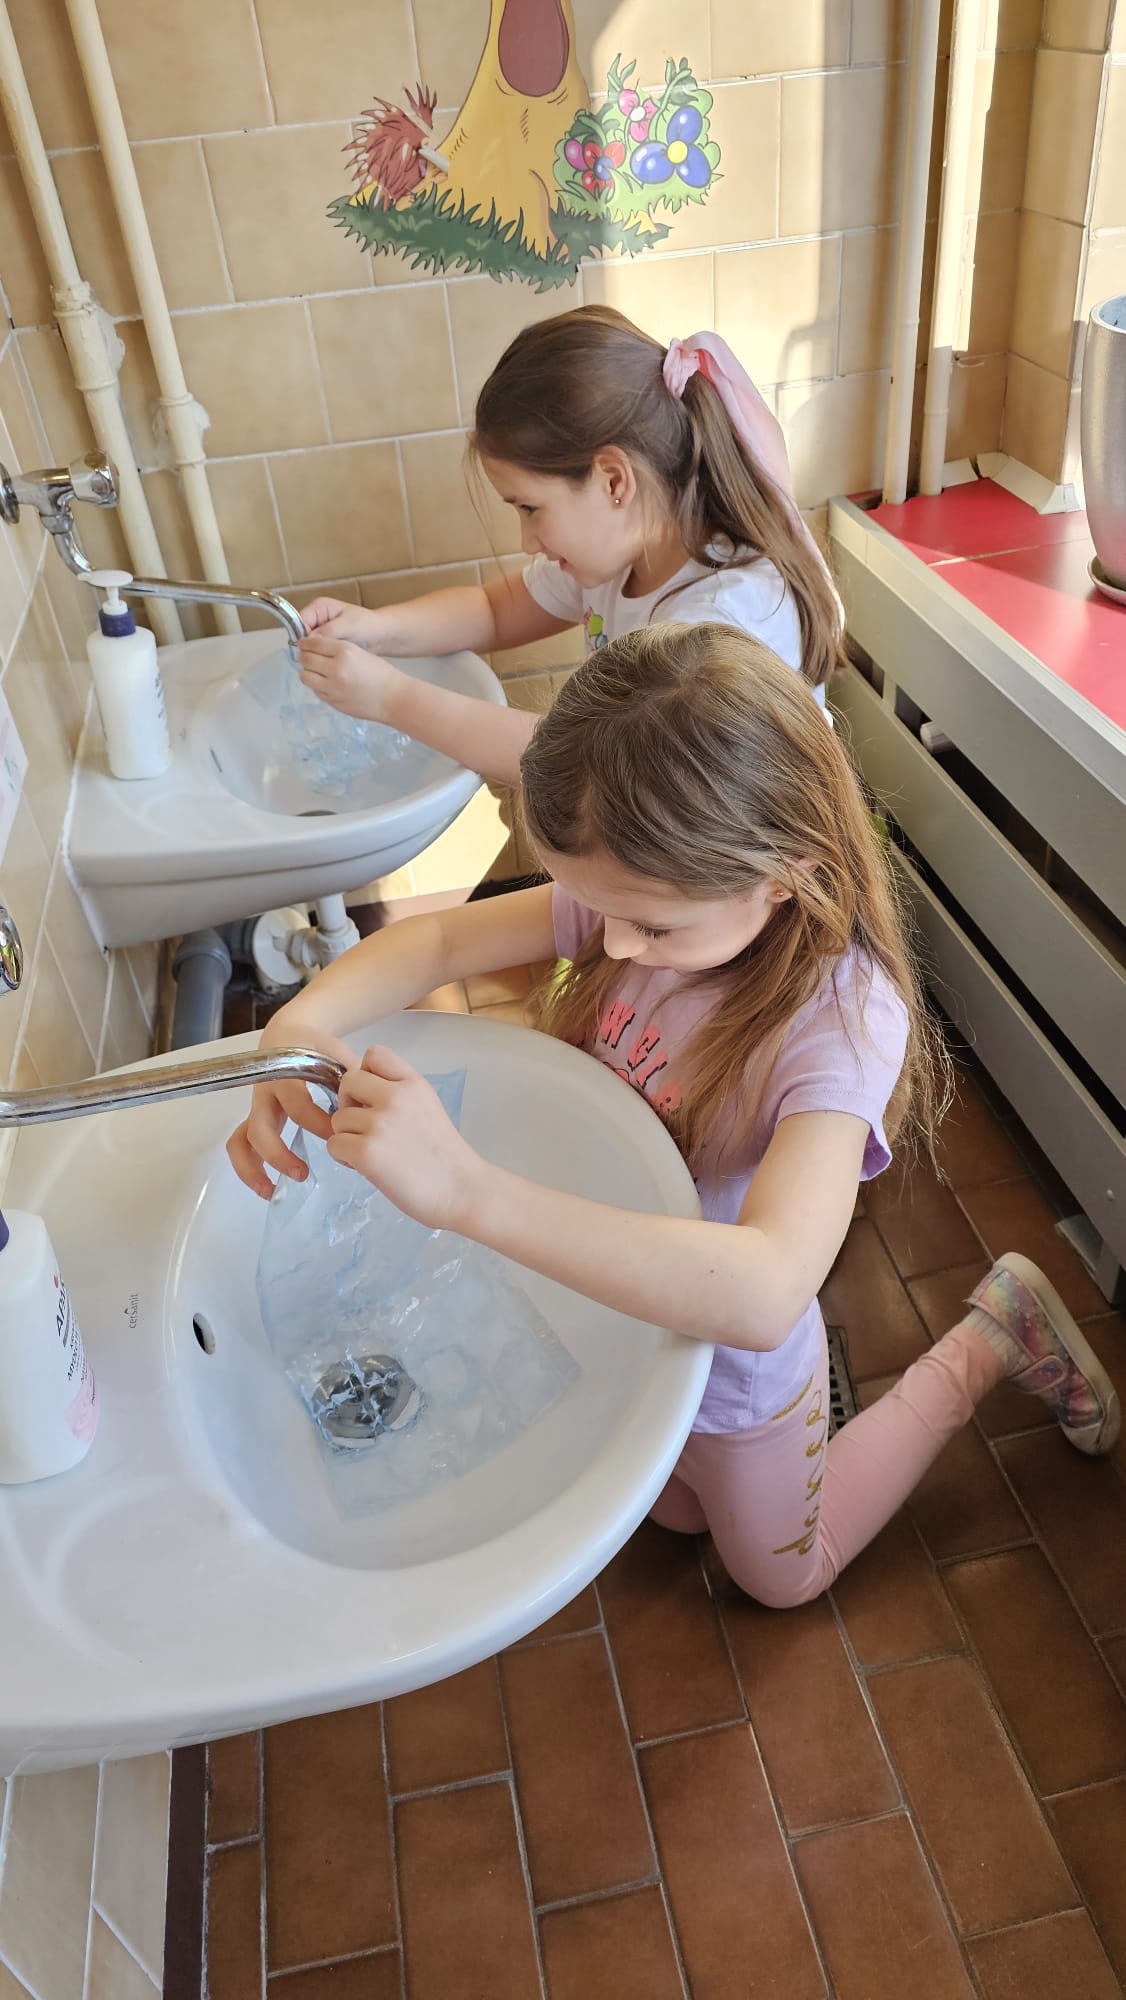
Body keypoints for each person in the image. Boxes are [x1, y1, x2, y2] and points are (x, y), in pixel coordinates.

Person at [228, 625, 1119, 1608]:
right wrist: (297, 1026)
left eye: (651, 925)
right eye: (596, 909)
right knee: (676, 1511)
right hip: (626, 1309)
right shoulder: (640, 897)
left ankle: (988, 1337)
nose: (610, 943)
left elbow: (768, 1285)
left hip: (736, 1367)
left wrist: (465, 1191)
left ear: (783, 871)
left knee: (780, 1575)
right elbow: (435, 943)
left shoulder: (840, 1019)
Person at [295, 306, 844, 788]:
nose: (526, 541)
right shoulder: (619, 554)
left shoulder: (719, 623)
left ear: (613, 481)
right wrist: (375, 629)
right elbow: (494, 611)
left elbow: (584, 764)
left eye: (529, 508)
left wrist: (390, 699)